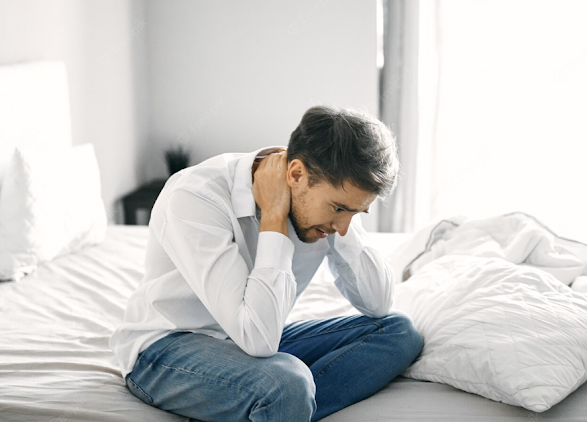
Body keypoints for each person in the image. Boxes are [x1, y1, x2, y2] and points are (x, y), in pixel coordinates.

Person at [109, 105, 423, 422]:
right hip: (166, 349)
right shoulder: (195, 196)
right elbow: (258, 340)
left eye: (356, 212)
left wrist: (345, 218)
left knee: (398, 331)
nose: (342, 226)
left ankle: (280, 410)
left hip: (258, 333)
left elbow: (379, 303)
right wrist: (273, 217)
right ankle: (282, 405)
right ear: (296, 174)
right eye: (339, 208)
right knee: (286, 384)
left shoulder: (325, 201)